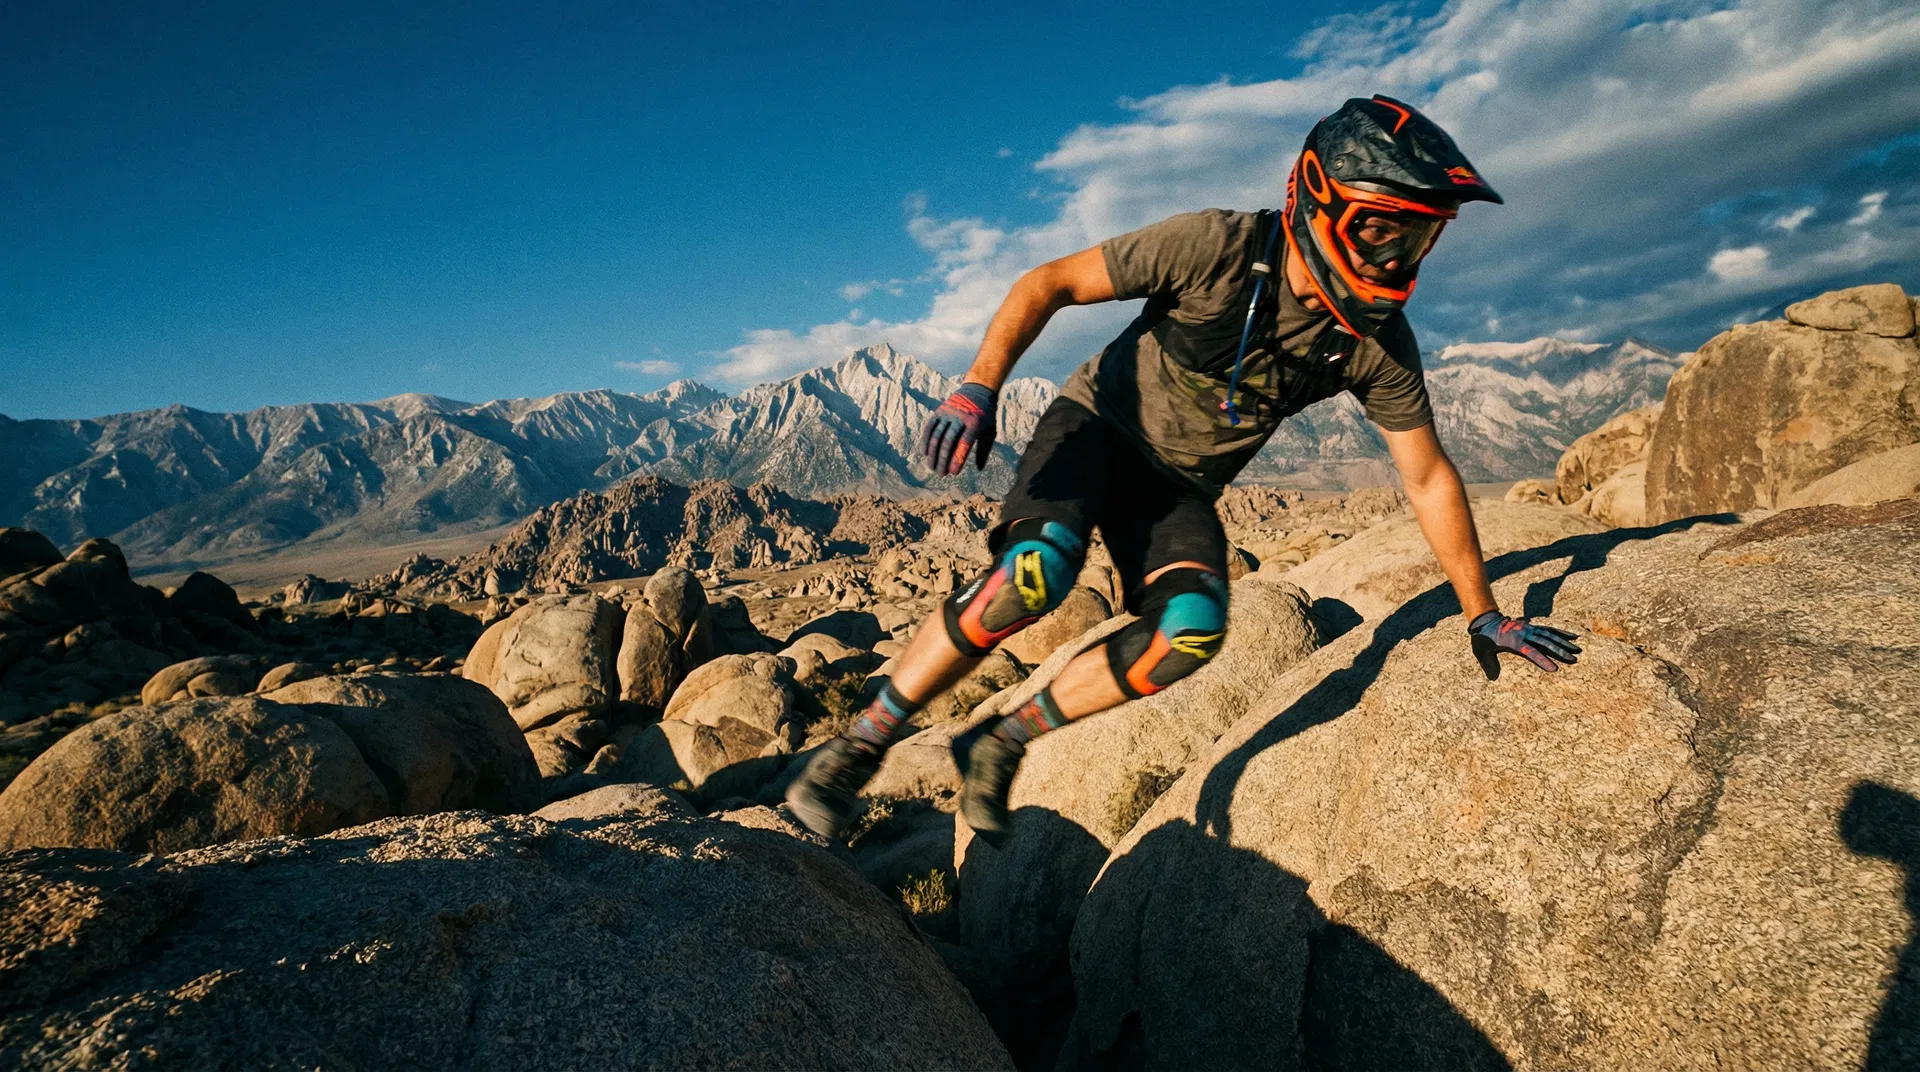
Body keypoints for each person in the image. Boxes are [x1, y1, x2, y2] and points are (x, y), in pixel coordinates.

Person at [786, 95, 1580, 843]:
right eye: (1384, 229)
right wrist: (978, 387)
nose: (1402, 255)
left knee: (1192, 633)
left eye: (1420, 237)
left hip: (1177, 487)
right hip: (1098, 428)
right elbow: (1048, 282)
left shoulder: (1375, 343)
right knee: (1035, 577)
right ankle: (859, 747)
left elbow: (1430, 477)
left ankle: (998, 740)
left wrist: (1483, 614)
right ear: (1319, 199)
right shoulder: (1220, 247)